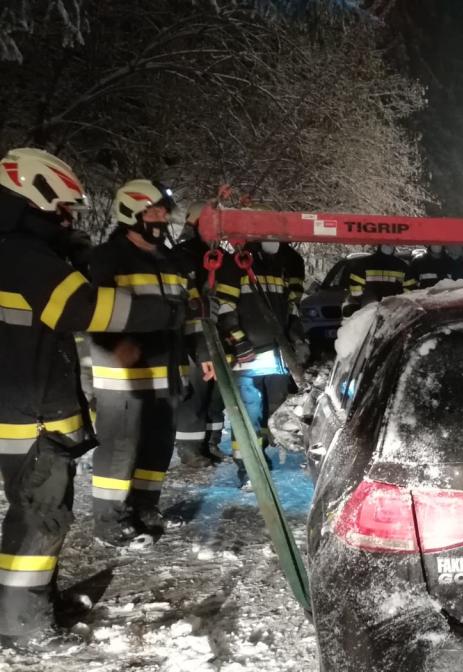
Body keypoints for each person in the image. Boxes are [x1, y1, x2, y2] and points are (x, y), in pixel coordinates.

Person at [0, 148, 178, 640]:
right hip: (31, 414)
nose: (68, 219)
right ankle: (23, 625)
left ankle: (32, 604)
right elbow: (81, 306)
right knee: (40, 517)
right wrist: (165, 312)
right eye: (62, 210)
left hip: (24, 405)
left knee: (37, 512)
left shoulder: (18, 251)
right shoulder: (21, 255)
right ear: (35, 199)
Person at [88, 179, 200, 545]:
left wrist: (199, 354)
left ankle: (145, 506)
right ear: (130, 213)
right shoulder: (108, 258)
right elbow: (93, 312)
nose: (161, 218)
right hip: (125, 375)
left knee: (157, 446)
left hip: (167, 372)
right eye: (152, 212)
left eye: (164, 212)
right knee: (120, 449)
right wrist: (116, 344)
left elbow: (187, 314)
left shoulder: (170, 261)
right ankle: (110, 520)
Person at [215, 238, 308, 486]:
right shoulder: (236, 264)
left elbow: (291, 308)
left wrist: (297, 338)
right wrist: (238, 341)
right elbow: (224, 308)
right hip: (248, 357)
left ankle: (261, 456)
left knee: (272, 411)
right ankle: (248, 468)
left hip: (277, 355)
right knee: (249, 413)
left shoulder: (282, 265)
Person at [170, 201, 229, 465]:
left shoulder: (218, 256)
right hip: (190, 336)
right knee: (196, 391)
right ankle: (190, 448)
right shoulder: (182, 256)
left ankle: (210, 442)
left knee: (214, 393)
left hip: (214, 333)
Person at [341, 244, 415, 315]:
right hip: (392, 309)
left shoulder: (364, 263)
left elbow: (355, 288)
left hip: (370, 308)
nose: (388, 246)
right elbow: (410, 290)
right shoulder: (401, 265)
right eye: (387, 244)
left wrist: (360, 301)